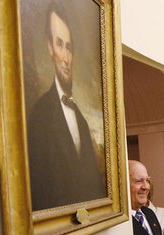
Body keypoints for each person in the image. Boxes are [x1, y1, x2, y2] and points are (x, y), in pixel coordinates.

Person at [27, 1, 105, 211]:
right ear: (50, 46)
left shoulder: (80, 117)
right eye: (59, 44)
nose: (65, 58)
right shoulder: (39, 116)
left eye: (69, 47)